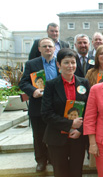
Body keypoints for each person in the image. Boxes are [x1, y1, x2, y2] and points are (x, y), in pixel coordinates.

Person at [41, 48, 90, 177]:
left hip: (78, 137)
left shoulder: (84, 83)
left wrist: (80, 129)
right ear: (58, 64)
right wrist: (69, 124)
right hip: (57, 137)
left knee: (76, 171)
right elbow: (46, 113)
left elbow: (89, 111)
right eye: (66, 62)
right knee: (60, 172)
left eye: (73, 62)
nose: (70, 66)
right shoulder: (51, 85)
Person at [19, 38, 59, 172]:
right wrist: (33, 91)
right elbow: (23, 83)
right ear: (39, 49)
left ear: (54, 48)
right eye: (45, 46)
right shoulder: (31, 64)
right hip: (38, 105)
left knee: (54, 134)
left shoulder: (60, 63)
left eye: (50, 46)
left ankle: (53, 158)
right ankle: (41, 160)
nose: (48, 48)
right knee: (38, 135)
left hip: (56, 106)